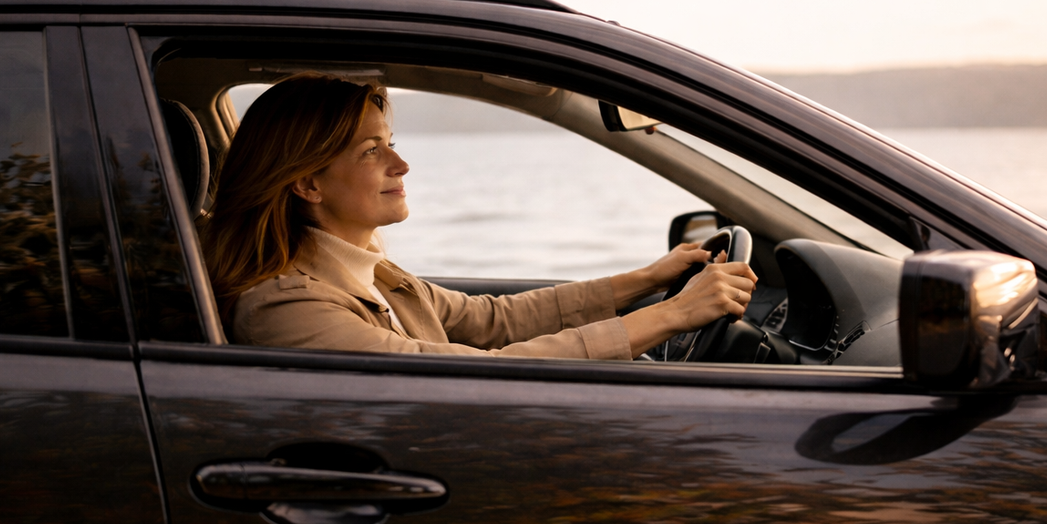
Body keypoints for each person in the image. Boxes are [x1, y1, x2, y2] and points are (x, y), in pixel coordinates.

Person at [201, 73, 758, 359]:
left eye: (390, 142)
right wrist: (670, 316)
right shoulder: (288, 306)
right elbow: (462, 373)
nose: (401, 163)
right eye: (372, 151)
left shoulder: (365, 270)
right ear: (306, 182)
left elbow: (491, 320)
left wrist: (649, 279)